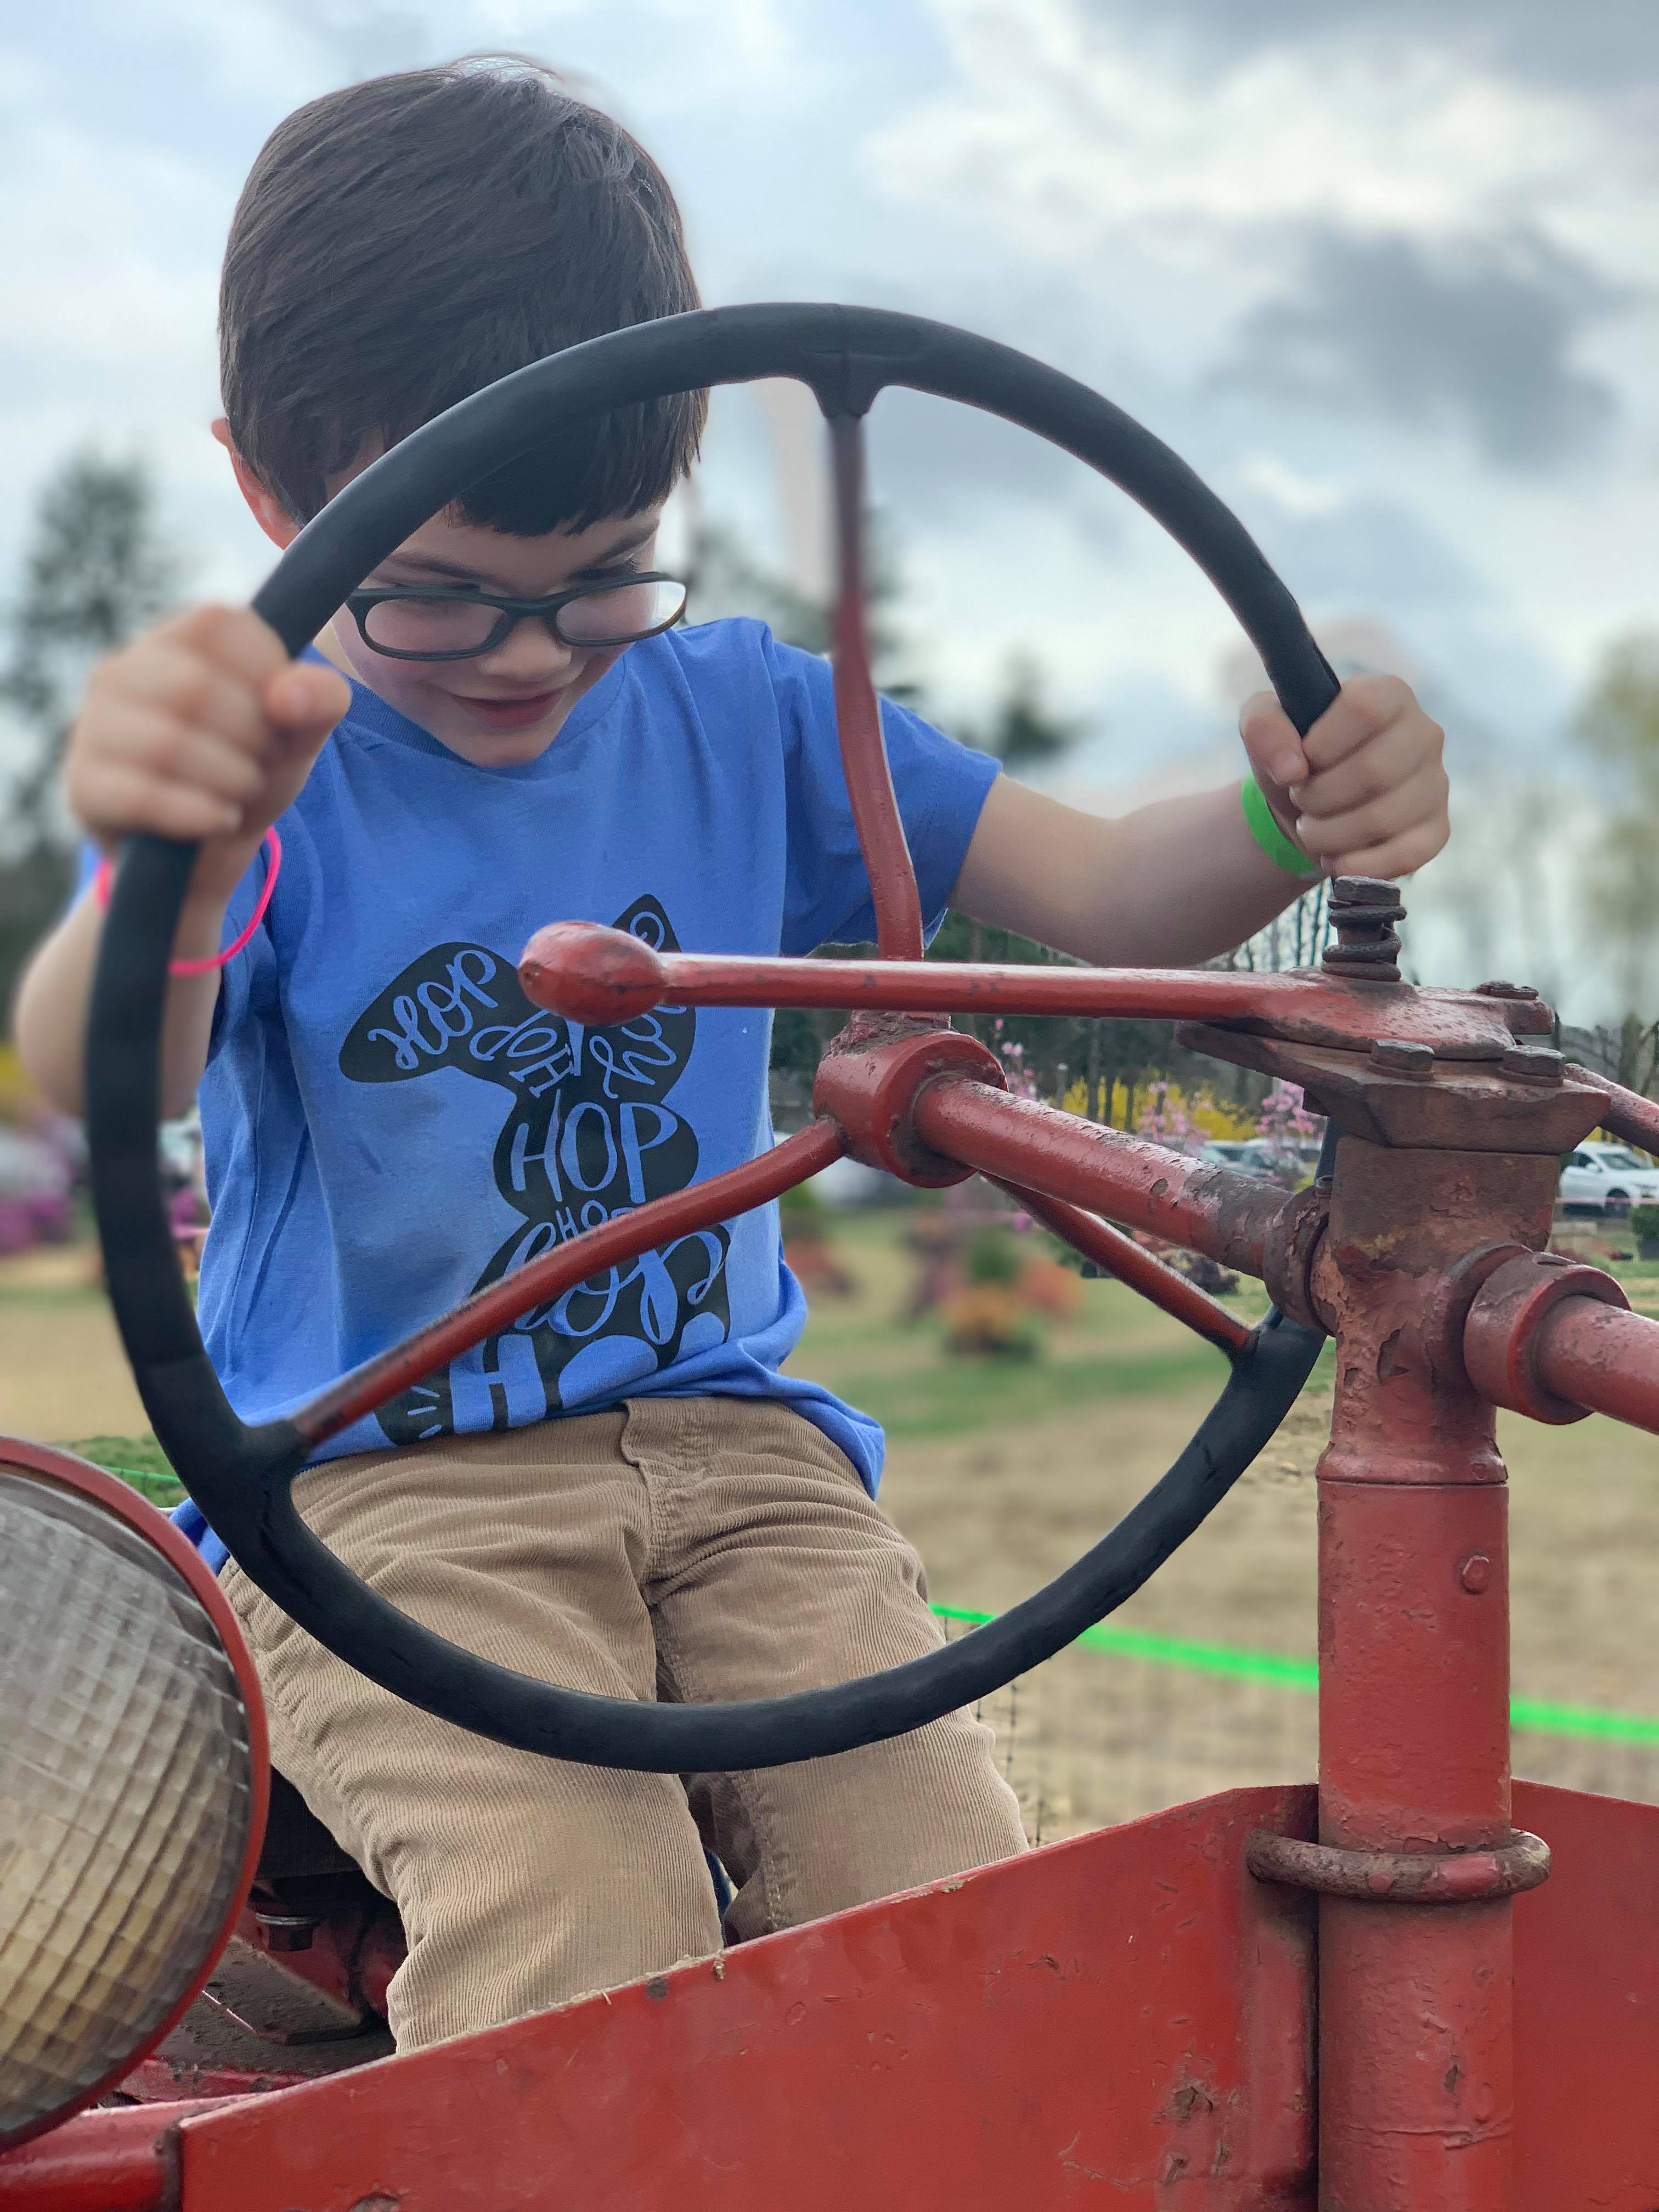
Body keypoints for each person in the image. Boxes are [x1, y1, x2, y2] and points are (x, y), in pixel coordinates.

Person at [13, 57, 1449, 2052]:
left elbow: (1118, 895)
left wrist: (1297, 813)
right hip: (382, 1492)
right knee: (579, 1916)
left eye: (603, 578)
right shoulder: (268, 770)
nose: (532, 657)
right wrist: (180, 849)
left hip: (748, 1452)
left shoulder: (755, 713)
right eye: (442, 601)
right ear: (277, 496)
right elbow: (83, 1054)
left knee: (947, 1889)